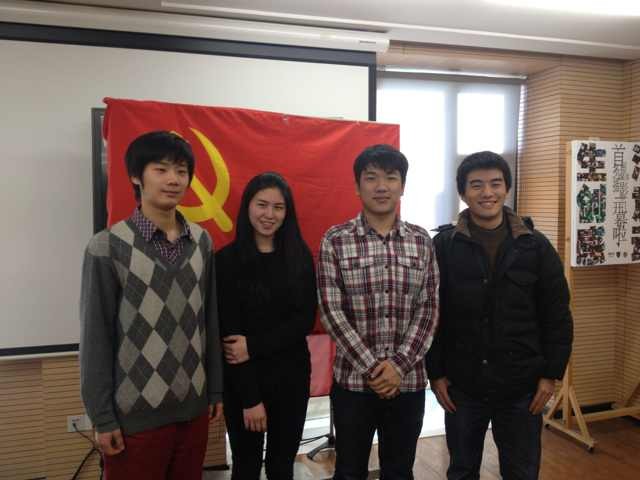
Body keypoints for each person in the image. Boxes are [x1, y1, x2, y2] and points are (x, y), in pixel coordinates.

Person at [79, 130, 224, 480]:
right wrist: (102, 417)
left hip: (193, 410)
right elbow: (95, 338)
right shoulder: (106, 246)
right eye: (161, 169)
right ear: (135, 176)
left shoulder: (202, 242)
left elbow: (210, 320)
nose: (173, 179)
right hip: (135, 419)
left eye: (181, 171)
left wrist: (215, 389)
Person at [425, 151, 573, 480]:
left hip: (523, 387)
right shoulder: (444, 246)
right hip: (463, 386)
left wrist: (550, 374)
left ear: (507, 188)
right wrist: (435, 373)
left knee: (521, 472)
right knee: (462, 471)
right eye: (476, 185)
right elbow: (431, 315)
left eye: (495, 183)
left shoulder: (535, 246)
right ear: (463, 192)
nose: (487, 193)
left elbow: (557, 315)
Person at [317, 144, 439, 480]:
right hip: (354, 384)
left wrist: (398, 366)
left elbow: (428, 309)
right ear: (357, 186)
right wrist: (374, 369)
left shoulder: (421, 240)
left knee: (399, 471)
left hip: (408, 383)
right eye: (371, 178)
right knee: (349, 471)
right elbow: (331, 312)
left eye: (391, 177)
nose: (381, 186)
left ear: (403, 186)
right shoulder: (335, 240)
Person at [216, 172, 317, 479]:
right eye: (262, 205)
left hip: (291, 380)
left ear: (287, 213)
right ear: (247, 206)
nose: (269, 214)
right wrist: (250, 400)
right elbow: (231, 341)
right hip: (244, 385)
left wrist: (254, 345)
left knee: (281, 466)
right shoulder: (226, 261)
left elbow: (304, 321)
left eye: (278, 207)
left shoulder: (300, 256)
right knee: (245, 467)